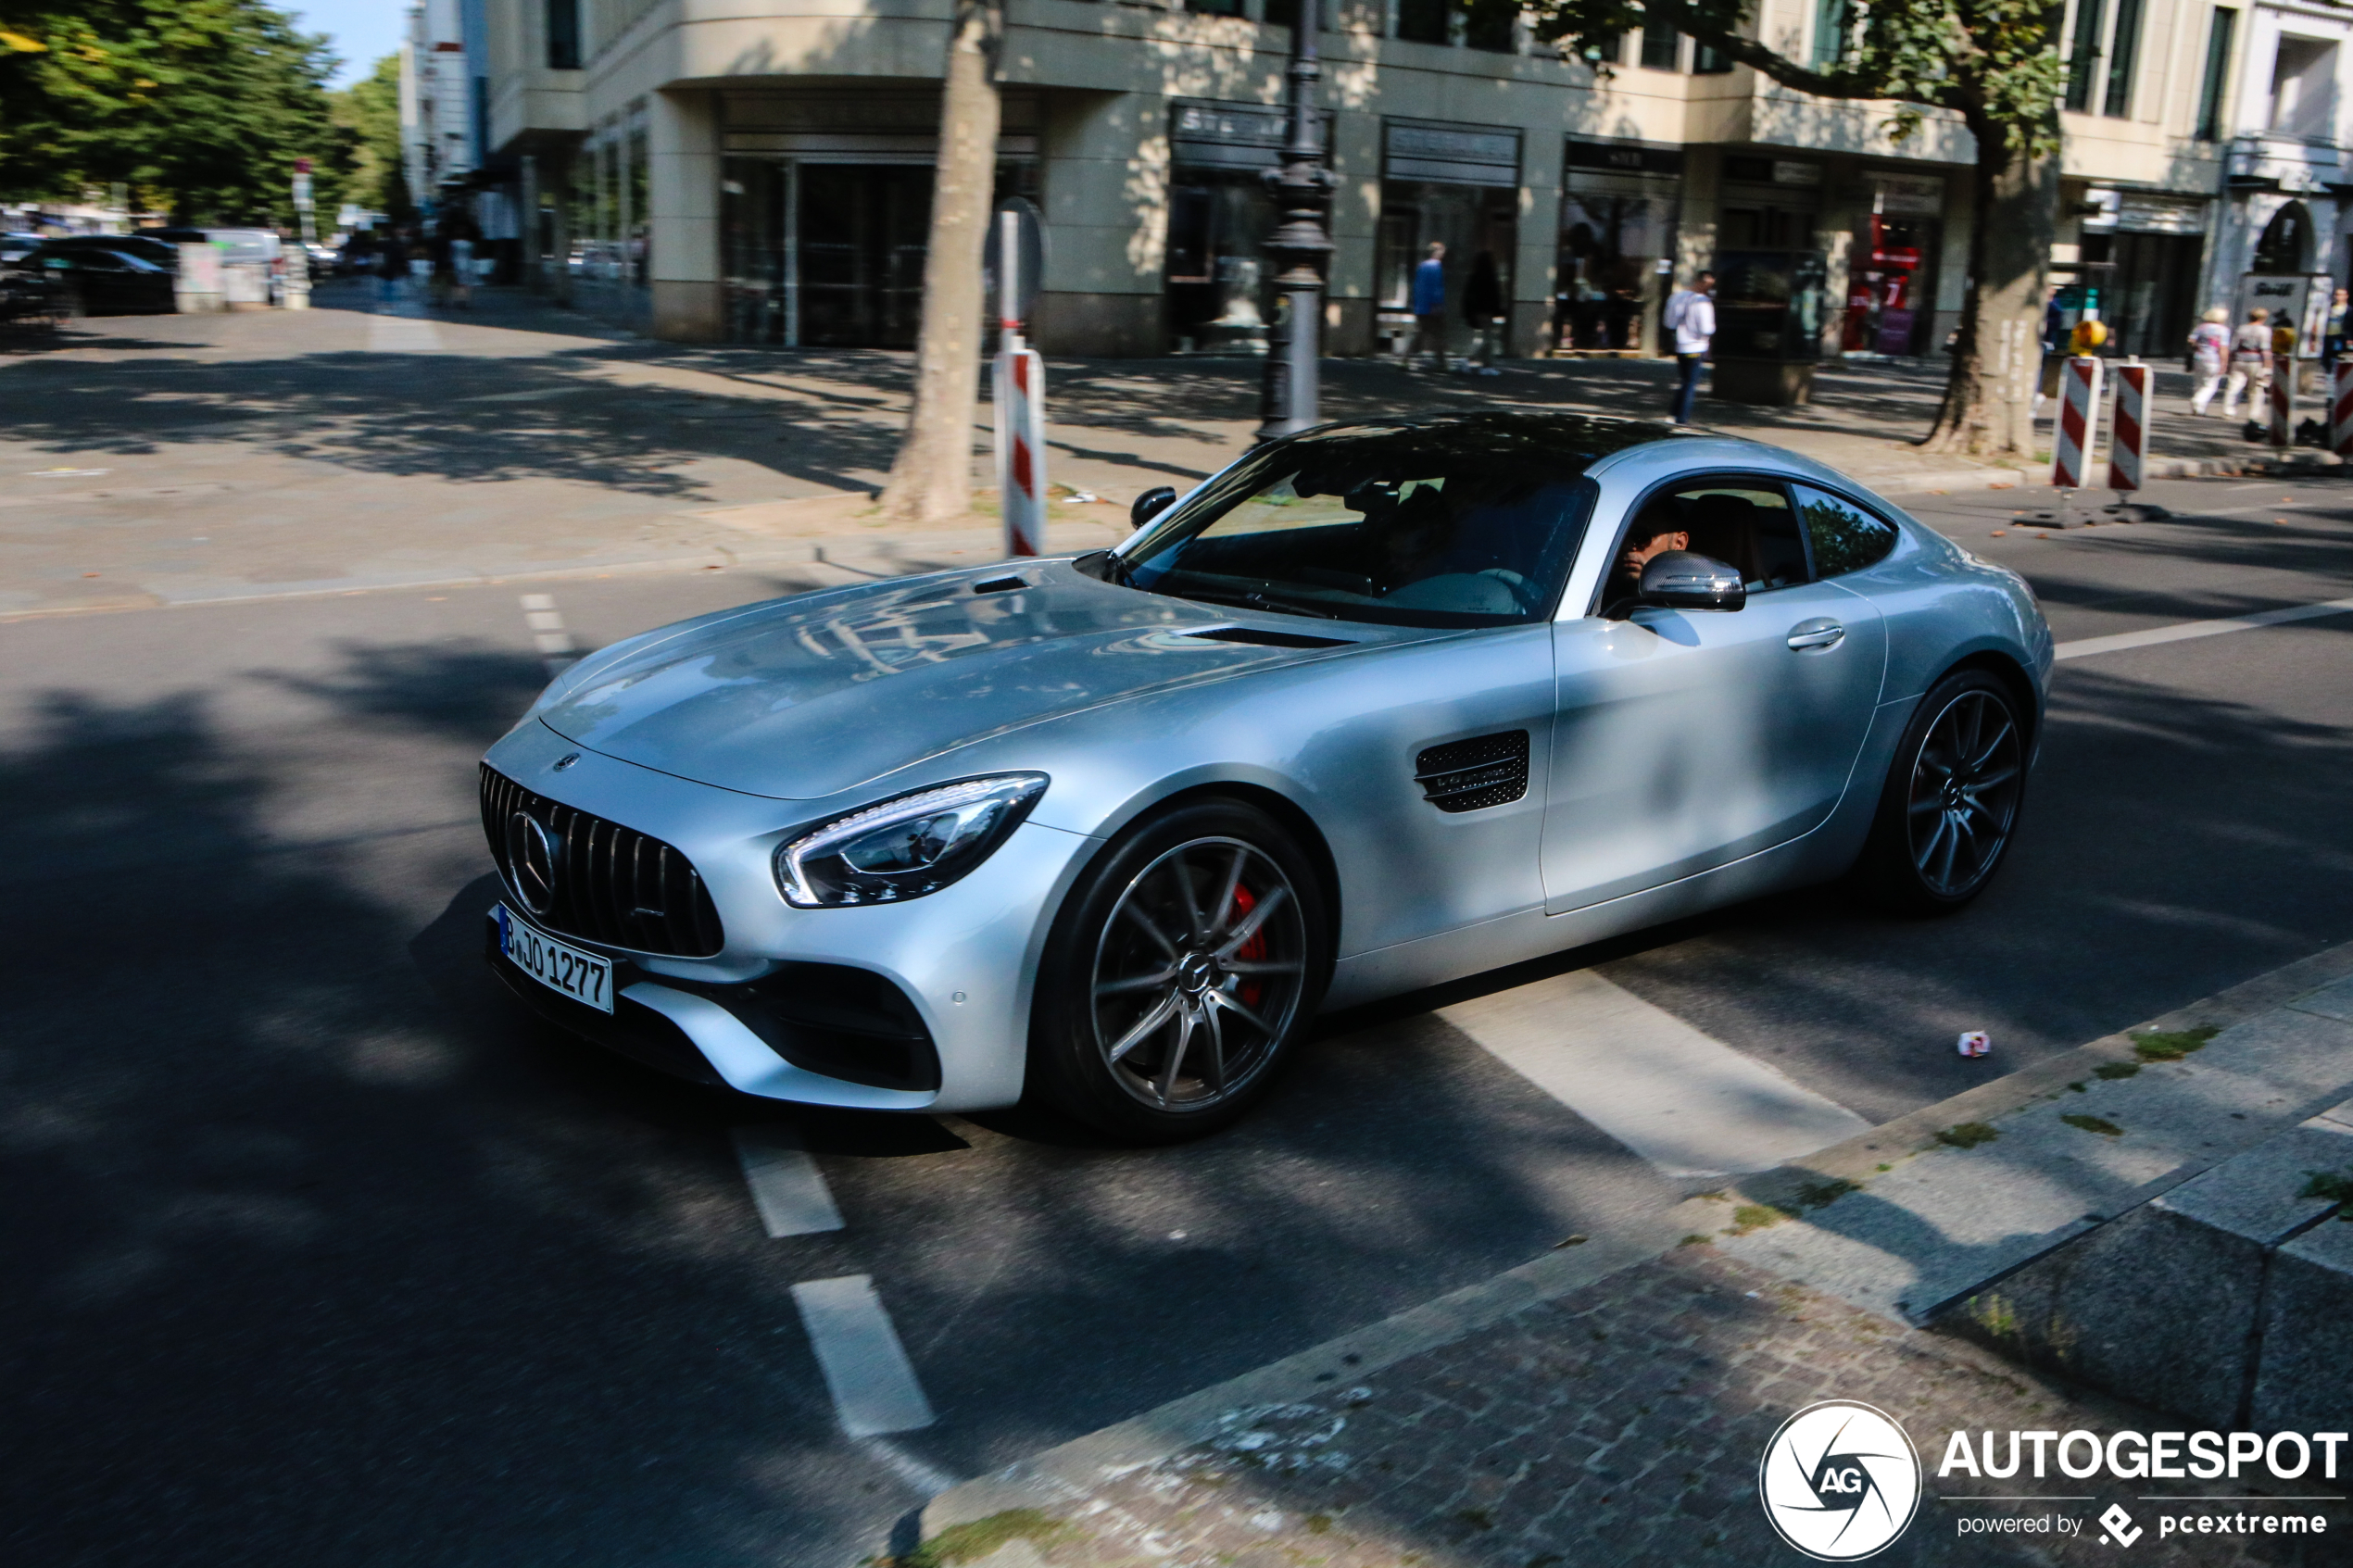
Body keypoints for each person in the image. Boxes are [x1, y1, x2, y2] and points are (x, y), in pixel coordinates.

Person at [1601, 507, 1691, 618]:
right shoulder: (1591, 593)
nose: (1627, 546)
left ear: (1678, 543)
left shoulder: (1690, 605)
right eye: (1621, 537)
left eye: (1641, 536)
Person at [1663, 270, 1716, 424]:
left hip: (1680, 344)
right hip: (1696, 345)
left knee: (1685, 381)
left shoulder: (1676, 297)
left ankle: (1673, 413)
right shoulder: (1703, 302)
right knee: (1690, 383)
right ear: (1701, 283)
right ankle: (1682, 418)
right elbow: (1706, 328)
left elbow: (1669, 322)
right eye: (1708, 285)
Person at [2223, 307, 2271, 420]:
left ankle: (2229, 411)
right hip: (2256, 361)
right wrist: (2268, 365)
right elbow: (2265, 349)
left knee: (2234, 386)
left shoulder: (2241, 329)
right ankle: (2253, 414)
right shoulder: (2264, 330)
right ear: (2263, 318)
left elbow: (2233, 347)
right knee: (2256, 389)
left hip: (2239, 360)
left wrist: (2229, 362)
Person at [1462, 251, 1504, 376]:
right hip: (1486, 311)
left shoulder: (1474, 276)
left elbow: (1468, 295)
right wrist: (1498, 310)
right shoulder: (1491, 276)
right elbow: (1495, 296)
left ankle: (1487, 365)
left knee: (1487, 339)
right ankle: (1471, 360)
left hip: (1477, 310)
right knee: (1488, 340)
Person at [1410, 241, 1448, 371]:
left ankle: (1405, 359)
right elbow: (1437, 289)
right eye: (1442, 251)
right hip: (1433, 307)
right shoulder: (1437, 267)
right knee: (1438, 335)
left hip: (1421, 307)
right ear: (1436, 252)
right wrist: (1439, 305)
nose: (1443, 254)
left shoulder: (1422, 266)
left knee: (1421, 334)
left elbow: (1417, 287)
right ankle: (1442, 363)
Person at [2187, 306, 2232, 416]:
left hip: (2199, 357)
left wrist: (2198, 346)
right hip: (2213, 360)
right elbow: (2223, 348)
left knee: (2199, 383)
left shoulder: (2201, 327)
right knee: (2211, 385)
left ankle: (2198, 409)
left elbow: (2191, 340)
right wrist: (2224, 363)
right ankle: (2198, 400)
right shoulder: (2223, 330)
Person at [372, 232, 408, 305]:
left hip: (386, 268)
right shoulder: (398, 246)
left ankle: (385, 301)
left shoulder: (385, 245)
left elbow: (380, 256)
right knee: (392, 287)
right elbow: (402, 259)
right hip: (394, 269)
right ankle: (390, 302)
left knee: (386, 286)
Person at [2326, 286, 2349, 369]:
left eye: (2342, 295)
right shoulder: (2330, 309)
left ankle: (2333, 373)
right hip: (2327, 336)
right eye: (2338, 295)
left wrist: (2350, 338)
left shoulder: (2349, 310)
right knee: (2326, 357)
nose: (2339, 297)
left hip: (2339, 336)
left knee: (2335, 354)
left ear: (2346, 296)